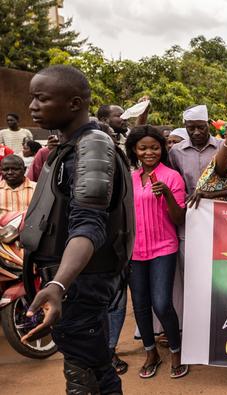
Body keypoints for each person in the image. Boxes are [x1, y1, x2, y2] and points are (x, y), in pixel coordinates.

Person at [20, 65, 135, 394]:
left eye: (41, 99)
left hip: (81, 282)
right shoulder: (69, 147)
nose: (32, 107)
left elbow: (89, 224)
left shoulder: (92, 148)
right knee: (92, 364)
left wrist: (58, 284)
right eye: (31, 98)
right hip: (74, 279)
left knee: (84, 372)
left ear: (73, 103)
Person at [125, 125, 188, 379]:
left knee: (162, 303)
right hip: (135, 250)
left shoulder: (172, 177)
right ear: (134, 150)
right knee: (140, 305)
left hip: (163, 247)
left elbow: (179, 216)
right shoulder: (130, 178)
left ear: (162, 149)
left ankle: (176, 352)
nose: (149, 152)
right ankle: (150, 353)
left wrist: (167, 197)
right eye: (143, 148)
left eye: (154, 147)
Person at [169, 105, 223, 196]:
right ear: (185, 127)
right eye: (191, 128)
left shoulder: (222, 146)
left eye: (201, 127)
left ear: (208, 125)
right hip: (189, 206)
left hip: (219, 205)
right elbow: (173, 180)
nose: (197, 132)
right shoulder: (176, 151)